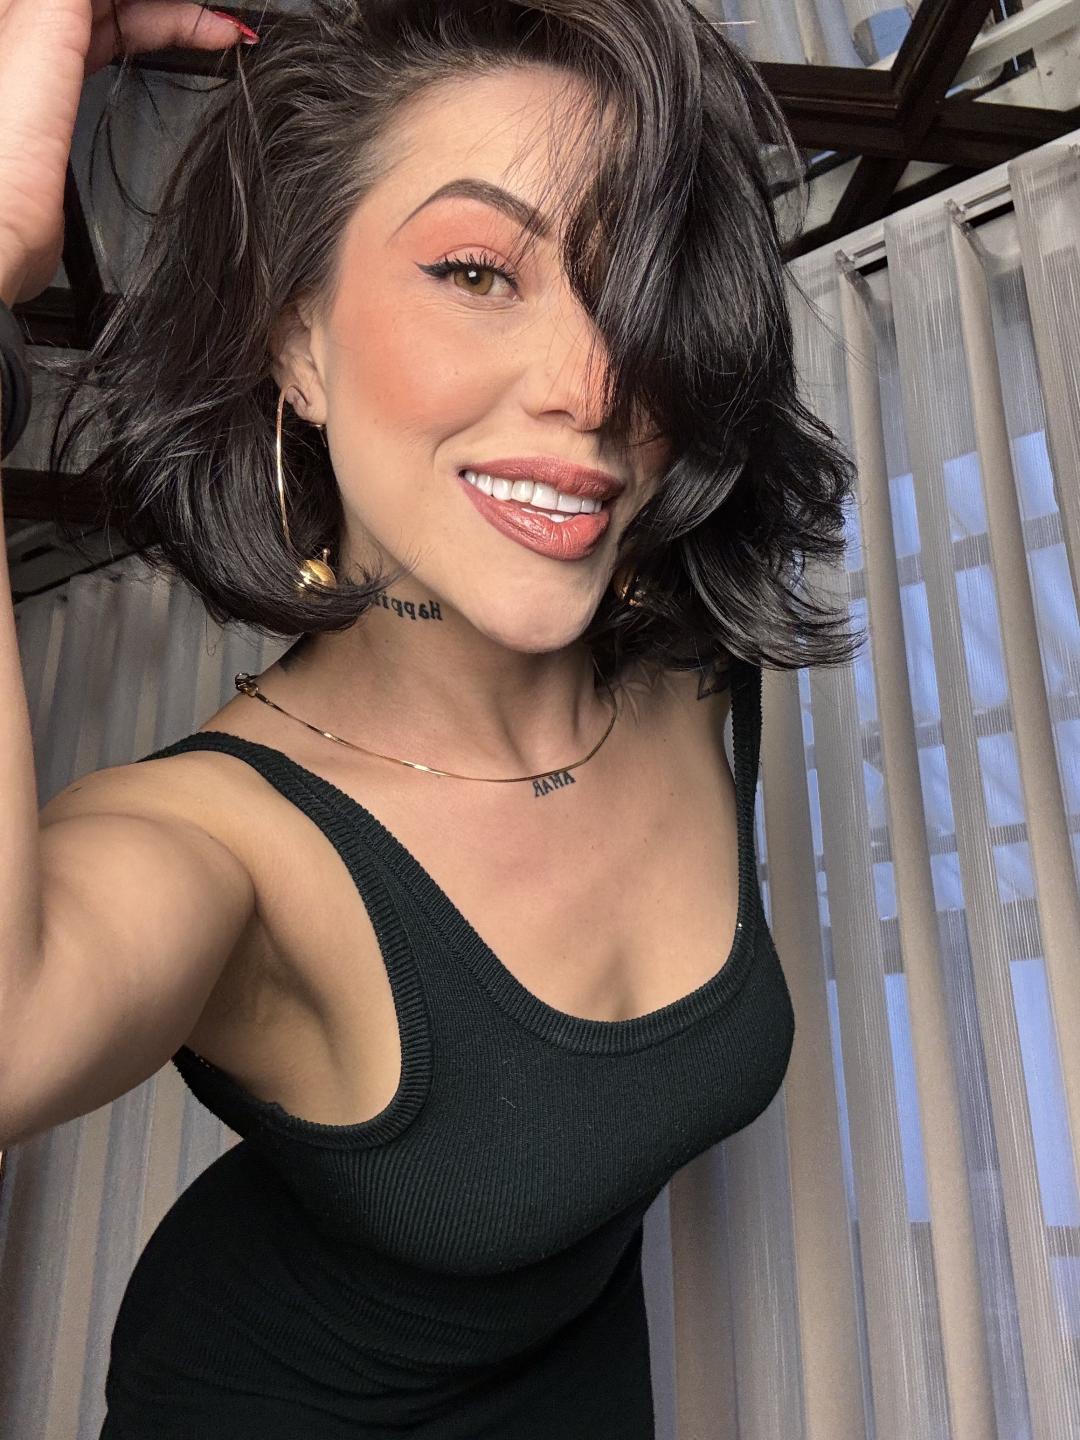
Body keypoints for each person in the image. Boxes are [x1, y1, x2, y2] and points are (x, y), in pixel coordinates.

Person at [0, 1, 864, 1434]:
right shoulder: (224, 836)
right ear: (300, 343)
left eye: (639, 289)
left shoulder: (697, 672)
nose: (594, 389)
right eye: (476, 271)